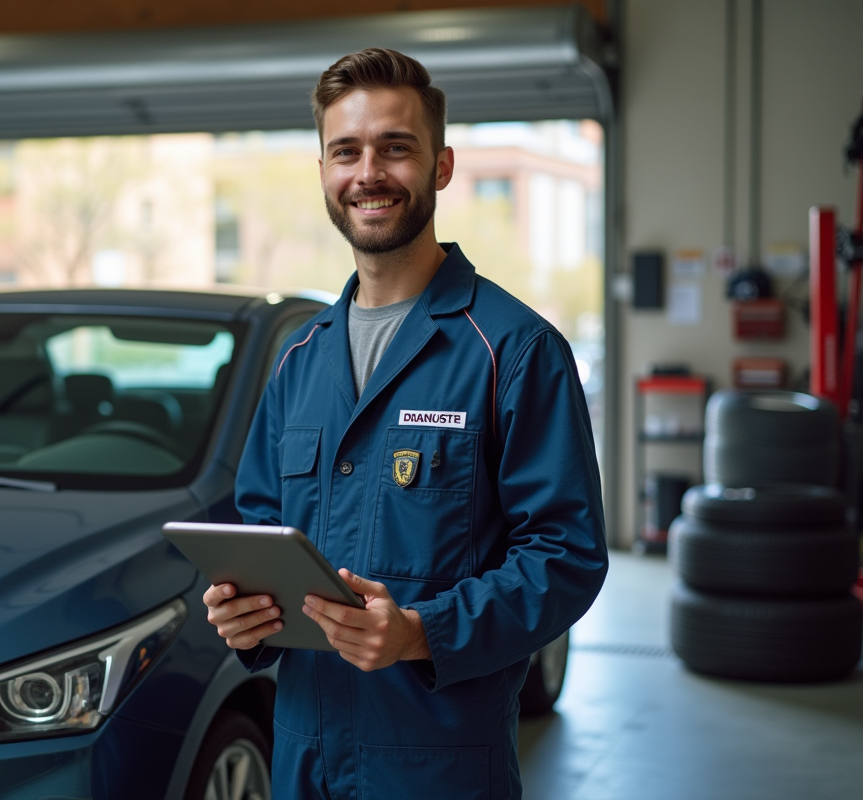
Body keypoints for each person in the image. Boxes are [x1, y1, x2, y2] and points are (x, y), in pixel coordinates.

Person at [202, 47, 608, 800]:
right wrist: (245, 612)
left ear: (442, 166)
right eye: (345, 151)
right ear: (324, 171)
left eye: (396, 147)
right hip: (302, 756)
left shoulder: (513, 350)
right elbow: (260, 526)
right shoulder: (299, 361)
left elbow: (567, 557)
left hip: (439, 765)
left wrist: (423, 632)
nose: (369, 174)